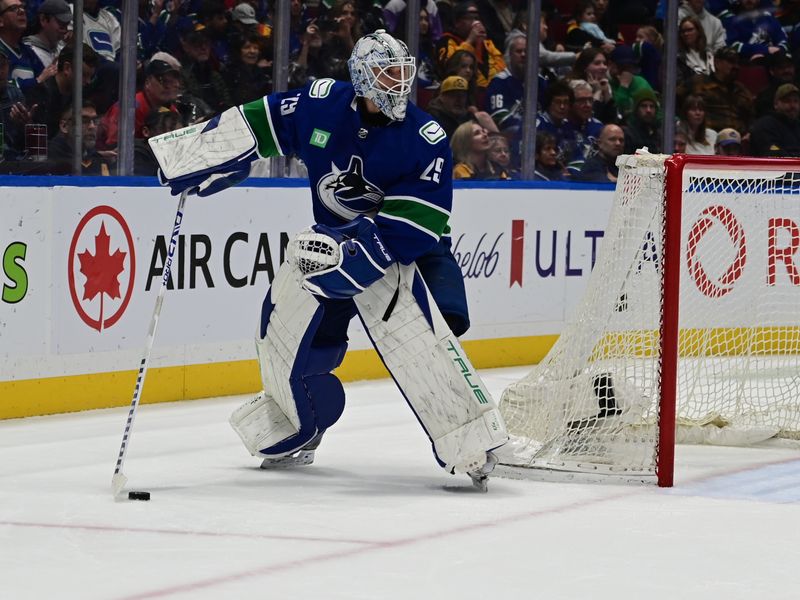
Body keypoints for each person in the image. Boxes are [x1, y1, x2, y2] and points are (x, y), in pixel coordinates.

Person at [150, 30, 507, 490]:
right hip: (329, 243)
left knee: (418, 340)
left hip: (405, 251)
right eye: (386, 74)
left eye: (403, 73)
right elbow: (260, 121)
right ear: (361, 77)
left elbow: (416, 223)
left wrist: (362, 256)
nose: (398, 84)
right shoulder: (322, 103)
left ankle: (470, 436)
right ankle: (298, 420)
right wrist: (199, 153)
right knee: (277, 323)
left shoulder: (424, 136)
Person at [750, 83, 800, 156]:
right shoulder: (765, 125)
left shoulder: (797, 125)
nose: (792, 106)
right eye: (787, 101)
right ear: (776, 104)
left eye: (796, 101)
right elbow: (773, 155)